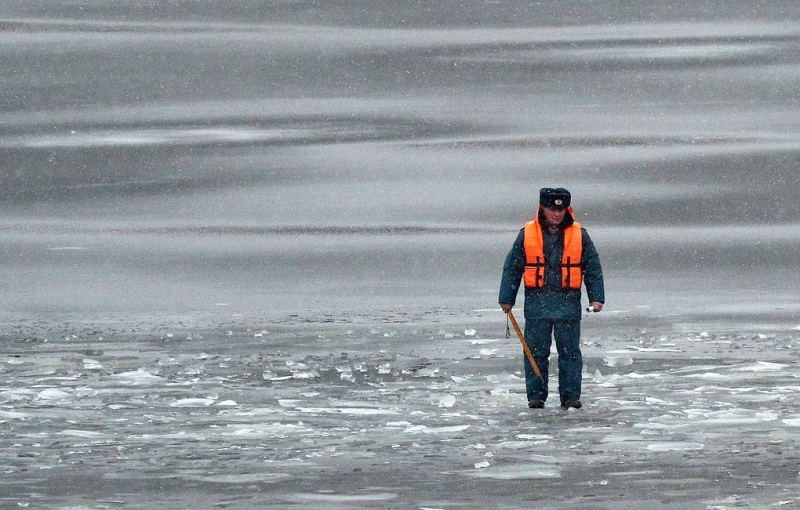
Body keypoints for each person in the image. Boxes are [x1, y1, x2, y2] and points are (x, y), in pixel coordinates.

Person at [499, 187, 604, 409]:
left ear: (567, 209)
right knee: (536, 353)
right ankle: (536, 396)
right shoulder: (527, 234)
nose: (556, 214)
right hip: (537, 305)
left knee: (570, 353)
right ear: (542, 208)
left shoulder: (580, 235)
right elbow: (512, 268)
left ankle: (570, 396)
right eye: (551, 209)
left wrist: (597, 298)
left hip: (568, 305)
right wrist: (506, 298)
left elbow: (593, 268)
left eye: (560, 209)